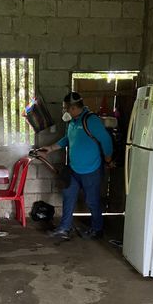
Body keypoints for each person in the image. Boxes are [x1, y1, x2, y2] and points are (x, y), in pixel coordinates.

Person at [39, 91, 113, 240]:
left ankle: (97, 230)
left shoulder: (91, 120)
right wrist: (51, 148)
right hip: (74, 169)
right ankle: (64, 228)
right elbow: (68, 139)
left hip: (91, 170)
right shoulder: (72, 122)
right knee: (68, 197)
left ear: (73, 108)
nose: (64, 111)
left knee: (92, 201)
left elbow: (106, 140)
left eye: (65, 108)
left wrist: (108, 159)